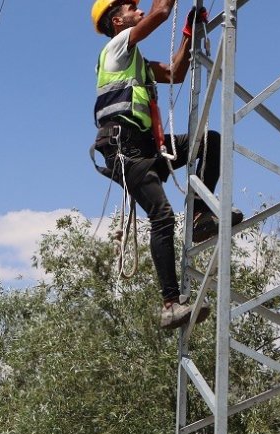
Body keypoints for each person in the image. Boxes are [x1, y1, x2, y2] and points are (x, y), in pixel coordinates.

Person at [90, 0, 242, 329]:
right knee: (161, 215)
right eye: (132, 7)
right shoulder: (116, 49)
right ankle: (171, 304)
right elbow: (161, 11)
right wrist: (168, 10)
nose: (140, 10)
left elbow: (175, 73)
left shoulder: (138, 64)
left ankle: (201, 213)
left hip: (148, 146)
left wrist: (188, 35)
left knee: (208, 141)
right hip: (124, 148)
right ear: (117, 21)